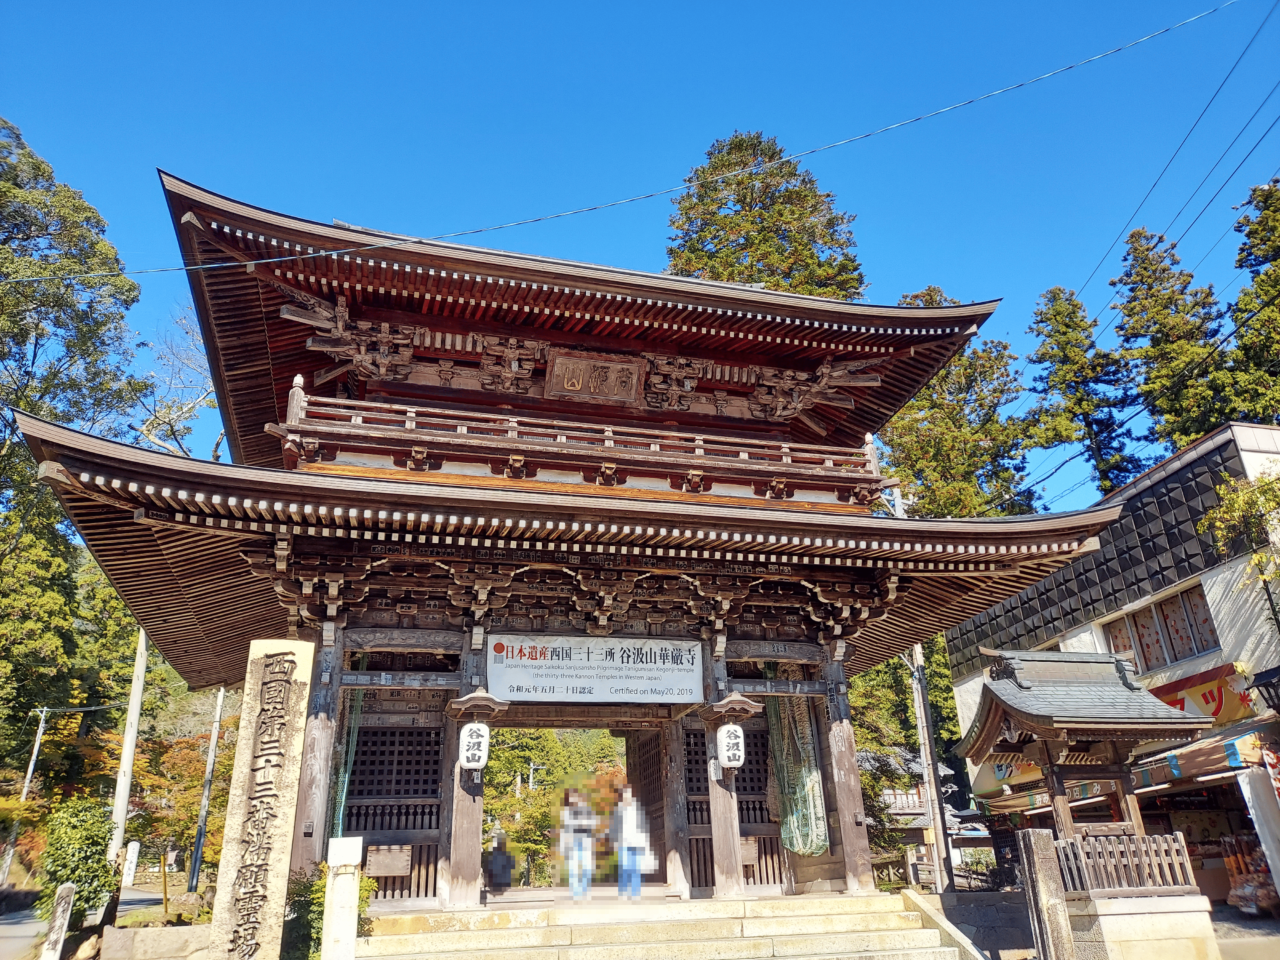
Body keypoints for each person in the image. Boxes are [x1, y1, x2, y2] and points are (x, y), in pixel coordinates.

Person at [610, 784, 654, 900]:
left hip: (636, 842)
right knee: (624, 868)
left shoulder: (636, 809)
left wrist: (645, 841)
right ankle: (624, 892)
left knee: (635, 868)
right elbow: (614, 827)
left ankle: (635, 892)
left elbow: (643, 826)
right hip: (623, 842)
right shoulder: (618, 810)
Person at [559, 789, 598, 900]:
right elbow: (565, 829)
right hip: (572, 841)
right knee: (573, 867)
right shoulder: (566, 812)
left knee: (587, 866)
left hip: (586, 839)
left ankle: (585, 891)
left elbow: (593, 824)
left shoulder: (587, 809)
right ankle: (576, 892)